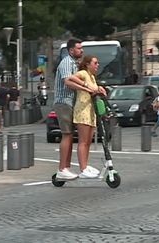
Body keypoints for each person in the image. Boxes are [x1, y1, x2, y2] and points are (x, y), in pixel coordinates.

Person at [53, 38, 98, 180]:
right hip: (63, 102)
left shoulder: (74, 63)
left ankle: (67, 167)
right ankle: (62, 168)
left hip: (71, 102)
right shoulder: (66, 62)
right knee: (67, 134)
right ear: (71, 50)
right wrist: (86, 88)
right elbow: (67, 82)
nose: (82, 50)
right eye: (79, 48)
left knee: (71, 135)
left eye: (81, 48)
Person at [65, 55, 105, 178]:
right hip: (82, 110)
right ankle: (83, 168)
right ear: (88, 64)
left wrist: (99, 89)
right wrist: (85, 85)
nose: (97, 65)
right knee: (83, 141)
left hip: (91, 111)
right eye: (95, 63)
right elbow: (70, 79)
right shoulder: (83, 73)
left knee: (88, 141)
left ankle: (85, 166)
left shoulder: (92, 77)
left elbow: (93, 90)